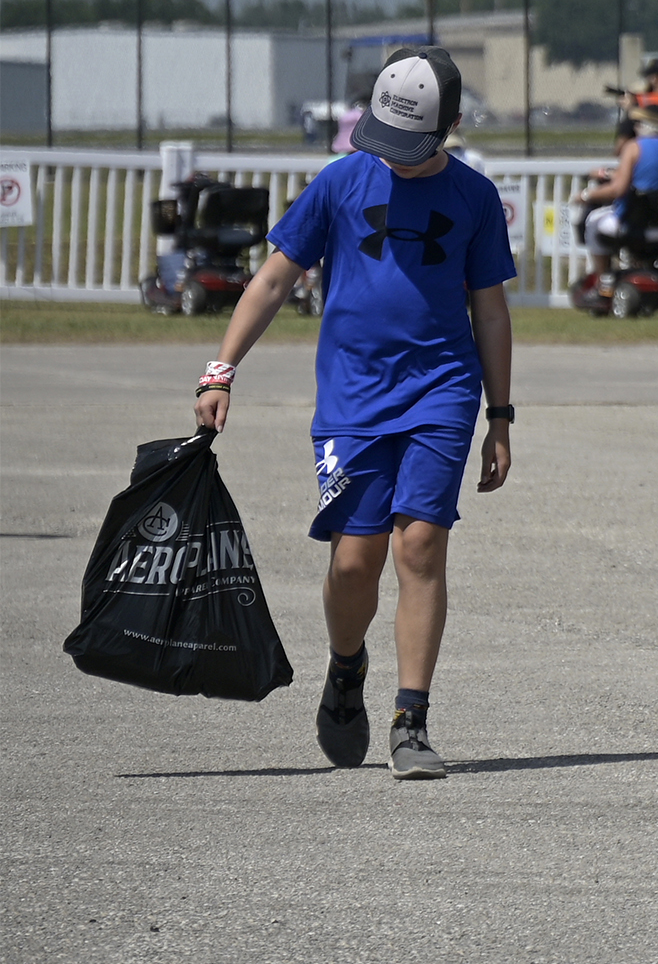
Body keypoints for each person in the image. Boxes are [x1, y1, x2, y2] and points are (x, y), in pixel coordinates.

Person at [193, 47, 516, 778]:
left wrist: (501, 415)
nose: (396, 160)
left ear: (452, 127)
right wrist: (222, 370)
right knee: (354, 562)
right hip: (353, 401)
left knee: (421, 548)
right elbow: (274, 281)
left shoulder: (473, 198)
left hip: (443, 391)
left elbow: (490, 313)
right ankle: (345, 670)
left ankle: (412, 719)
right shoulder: (339, 182)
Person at [579, 107, 658, 273]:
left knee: (593, 221)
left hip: (632, 222)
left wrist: (586, 195)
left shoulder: (634, 147)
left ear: (647, 125)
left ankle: (603, 279)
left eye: (638, 124)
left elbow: (618, 189)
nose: (635, 128)